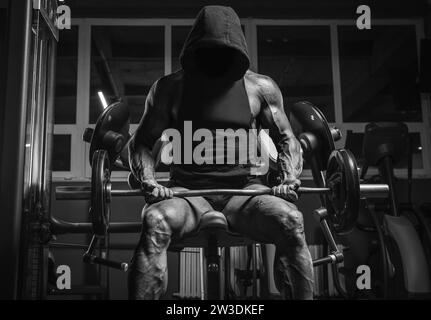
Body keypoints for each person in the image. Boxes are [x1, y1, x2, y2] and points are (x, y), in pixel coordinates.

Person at [128, 5, 313, 300]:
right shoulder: (169, 88)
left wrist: (289, 176)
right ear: (194, 50)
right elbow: (140, 143)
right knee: (155, 222)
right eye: (209, 52)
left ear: (237, 52)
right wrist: (149, 179)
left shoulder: (260, 88)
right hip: (188, 195)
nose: (215, 61)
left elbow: (286, 138)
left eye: (223, 54)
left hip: (246, 194)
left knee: (291, 221)